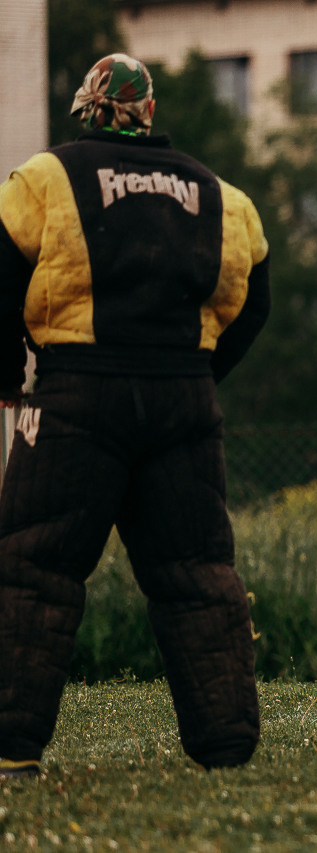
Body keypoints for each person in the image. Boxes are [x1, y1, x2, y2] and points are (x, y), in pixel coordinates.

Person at [0, 53, 270, 778]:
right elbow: (255, 300)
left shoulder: (45, 178)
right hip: (183, 400)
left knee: (34, 563)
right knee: (197, 569)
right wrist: (199, 374)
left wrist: (8, 379)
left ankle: (12, 746)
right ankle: (225, 746)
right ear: (149, 112)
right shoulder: (223, 198)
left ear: (88, 108)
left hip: (75, 395)